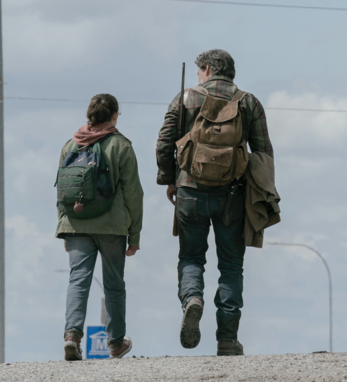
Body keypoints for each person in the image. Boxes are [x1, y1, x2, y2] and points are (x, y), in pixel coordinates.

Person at [156, 49, 274, 356]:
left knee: (192, 257)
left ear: (207, 69)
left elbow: (164, 141)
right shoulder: (249, 102)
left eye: (199, 71)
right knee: (231, 267)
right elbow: (263, 153)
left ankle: (192, 299)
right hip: (233, 195)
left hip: (190, 192)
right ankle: (226, 339)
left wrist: (169, 178)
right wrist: (261, 196)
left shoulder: (185, 98)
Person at [55, 93, 143, 361]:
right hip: (112, 225)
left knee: (77, 281)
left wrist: (64, 228)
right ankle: (116, 342)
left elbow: (62, 190)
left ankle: (72, 336)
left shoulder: (71, 145)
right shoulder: (121, 146)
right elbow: (133, 194)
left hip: (76, 223)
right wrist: (135, 234)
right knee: (114, 284)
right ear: (114, 115)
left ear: (89, 115)